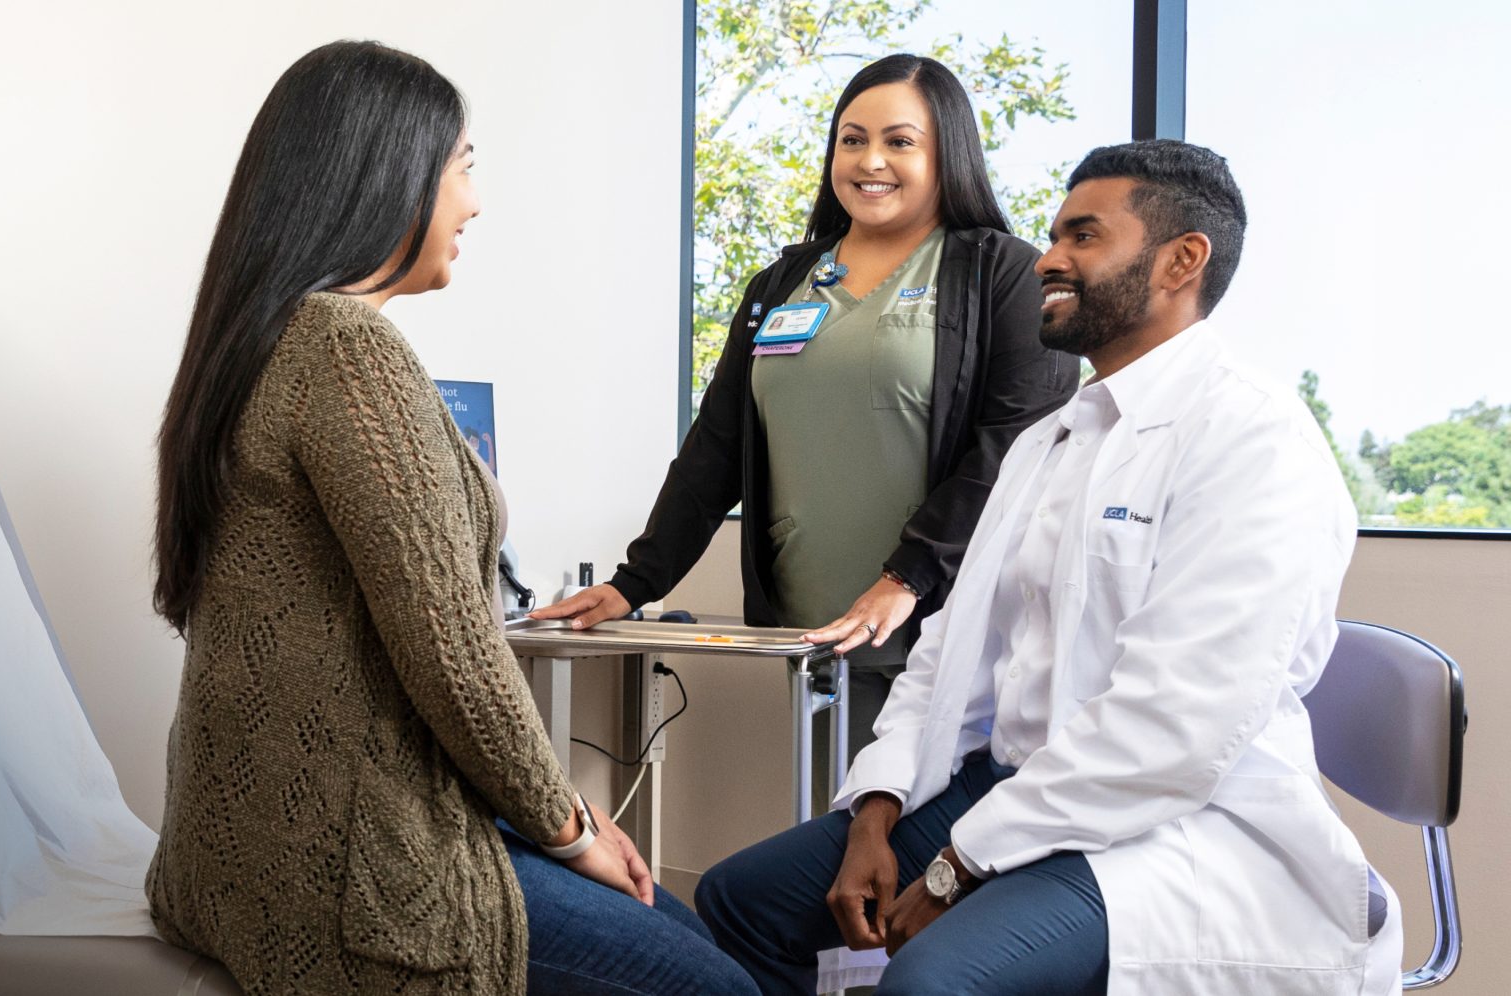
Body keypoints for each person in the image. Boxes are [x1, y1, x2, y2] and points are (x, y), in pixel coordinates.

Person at [694, 139, 1404, 996]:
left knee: (930, 981)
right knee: (742, 901)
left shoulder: (1254, 442)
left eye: (1083, 237)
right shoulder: (1050, 440)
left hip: (1163, 825)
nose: (1050, 259)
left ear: (1182, 260)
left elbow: (1173, 733)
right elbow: (951, 648)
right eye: (1055, 234)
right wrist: (877, 809)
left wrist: (959, 865)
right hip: (1012, 787)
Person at [144, 40, 756, 996]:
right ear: (387, 172)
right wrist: (569, 825)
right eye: (465, 167)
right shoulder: (348, 348)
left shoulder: (263, 339)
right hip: (333, 873)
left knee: (682, 927)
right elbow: (456, 656)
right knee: (718, 986)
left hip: (231, 850)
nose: (475, 202)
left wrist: (558, 823)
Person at [533, 55, 1077, 756]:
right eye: (852, 139)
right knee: (827, 841)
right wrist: (633, 583)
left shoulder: (1000, 273)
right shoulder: (785, 282)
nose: (869, 160)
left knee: (926, 848)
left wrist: (906, 578)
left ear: (948, 153)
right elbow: (717, 447)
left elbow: (1014, 449)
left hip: (945, 634)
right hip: (809, 639)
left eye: (899, 141)